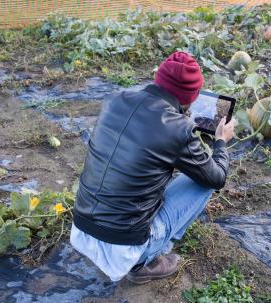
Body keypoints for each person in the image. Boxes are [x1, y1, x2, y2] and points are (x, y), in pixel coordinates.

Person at [70, 51, 236, 284]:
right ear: (190, 98)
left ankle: (139, 252)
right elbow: (217, 178)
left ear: (158, 79)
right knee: (203, 182)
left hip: (81, 230)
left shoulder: (114, 99)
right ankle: (144, 262)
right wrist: (220, 141)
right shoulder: (179, 128)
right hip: (124, 249)